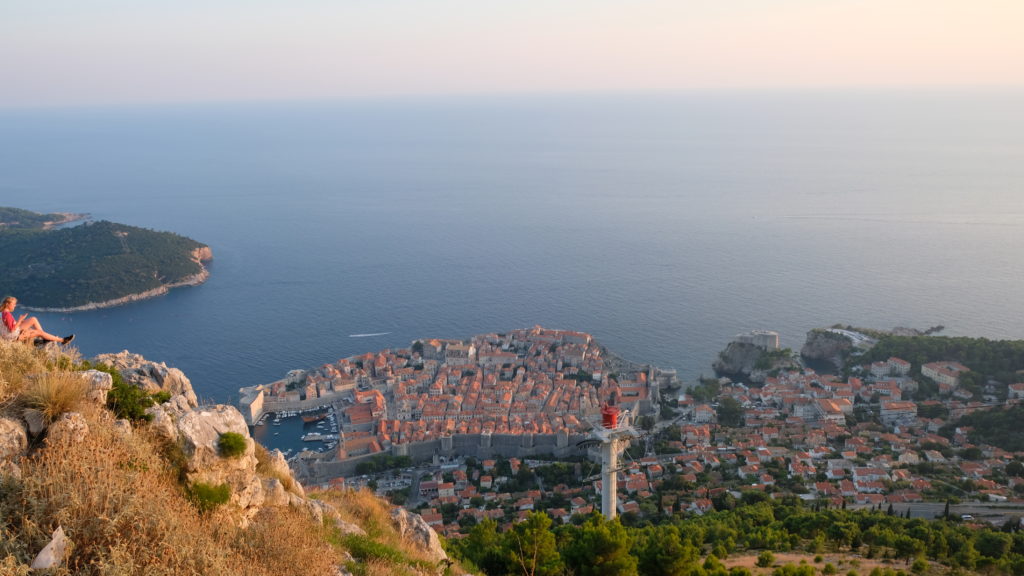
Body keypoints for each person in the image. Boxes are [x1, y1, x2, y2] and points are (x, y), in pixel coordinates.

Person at [0, 296, 74, 345]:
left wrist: (19, 322)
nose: (14, 306)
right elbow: (12, 329)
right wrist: (20, 320)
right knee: (39, 332)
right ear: (7, 304)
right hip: (13, 336)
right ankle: (62, 340)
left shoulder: (2, 313)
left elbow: (7, 325)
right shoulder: (7, 314)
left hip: (8, 335)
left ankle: (44, 338)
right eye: (13, 304)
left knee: (33, 319)